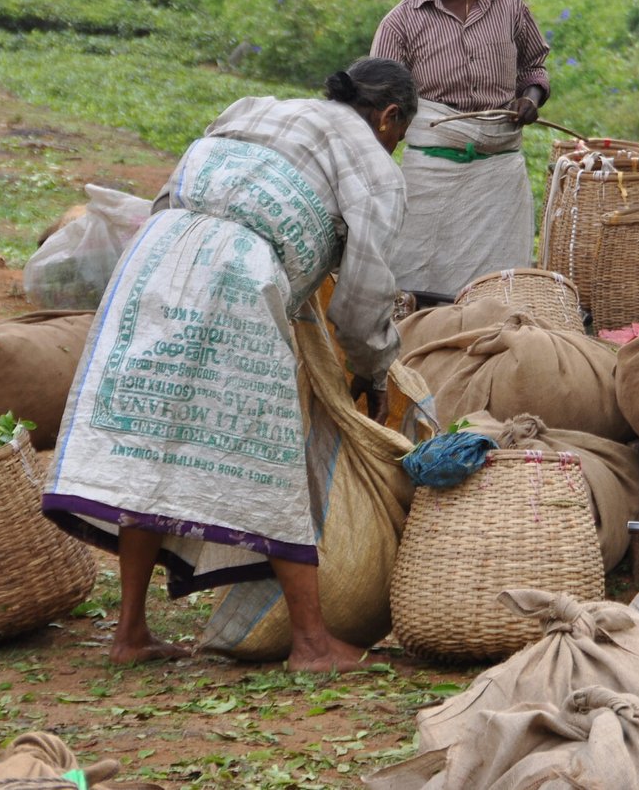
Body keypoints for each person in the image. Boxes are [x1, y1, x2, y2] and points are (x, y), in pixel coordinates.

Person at [41, 57, 416, 673]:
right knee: (270, 452)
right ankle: (313, 645)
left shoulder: (256, 107)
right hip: (238, 280)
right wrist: (373, 371)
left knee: (147, 436)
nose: (394, 148)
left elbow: (172, 188)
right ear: (389, 117)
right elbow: (364, 295)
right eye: (398, 137)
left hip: (156, 255)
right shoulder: (376, 167)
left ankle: (129, 632)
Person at [371, 0, 551, 299]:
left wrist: (531, 98)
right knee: (419, 282)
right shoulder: (401, 22)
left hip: (499, 173)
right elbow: (381, 100)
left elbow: (534, 65)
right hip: (433, 173)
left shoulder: (506, 4)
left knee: (498, 289)